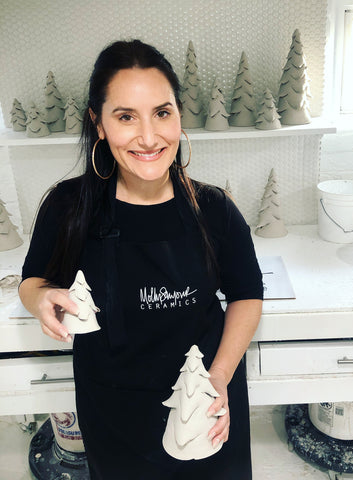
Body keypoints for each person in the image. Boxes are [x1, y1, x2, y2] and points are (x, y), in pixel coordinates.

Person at [19, 39, 263, 480]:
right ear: (99, 124)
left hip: (205, 399)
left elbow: (247, 294)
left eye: (162, 113)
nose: (149, 138)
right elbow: (32, 281)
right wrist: (41, 299)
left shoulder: (214, 208)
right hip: (114, 410)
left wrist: (219, 377)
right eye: (126, 116)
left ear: (179, 116)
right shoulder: (68, 206)